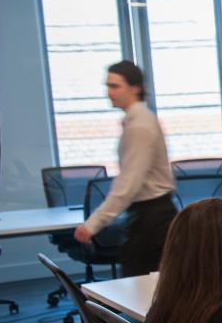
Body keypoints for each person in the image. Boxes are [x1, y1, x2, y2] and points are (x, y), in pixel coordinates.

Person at [73, 61, 177, 277]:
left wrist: (93, 223)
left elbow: (128, 183)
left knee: (142, 286)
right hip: (150, 215)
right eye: (108, 86)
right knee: (145, 284)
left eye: (115, 86)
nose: (109, 93)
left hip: (153, 218)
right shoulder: (139, 120)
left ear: (135, 88)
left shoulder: (139, 125)